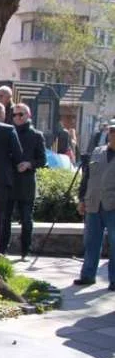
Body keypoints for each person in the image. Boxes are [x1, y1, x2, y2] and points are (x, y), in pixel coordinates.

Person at [74, 122, 115, 291]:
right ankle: (88, 275)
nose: (113, 134)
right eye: (111, 131)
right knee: (91, 241)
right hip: (93, 203)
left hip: (112, 205)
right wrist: (82, 199)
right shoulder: (97, 152)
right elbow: (86, 178)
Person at [8, 104, 47, 258]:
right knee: (5, 218)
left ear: (28, 115)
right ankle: (2, 250)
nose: (17, 117)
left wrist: (29, 164)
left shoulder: (36, 135)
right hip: (10, 181)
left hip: (26, 183)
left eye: (21, 114)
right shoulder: (8, 132)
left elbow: (43, 159)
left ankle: (25, 250)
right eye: (14, 115)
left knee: (26, 218)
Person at [0, 102, 24, 254]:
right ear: (2, 114)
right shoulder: (8, 130)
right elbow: (18, 155)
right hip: (2, 179)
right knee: (0, 217)